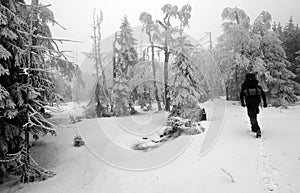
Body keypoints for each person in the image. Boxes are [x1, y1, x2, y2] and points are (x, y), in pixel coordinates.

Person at [240, 73, 267, 138]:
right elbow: (263, 93)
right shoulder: (257, 84)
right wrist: (265, 102)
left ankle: (256, 129)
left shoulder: (245, 85)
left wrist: (242, 103)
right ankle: (253, 127)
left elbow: (241, 94)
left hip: (249, 102)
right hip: (256, 102)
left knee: (251, 115)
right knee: (253, 115)